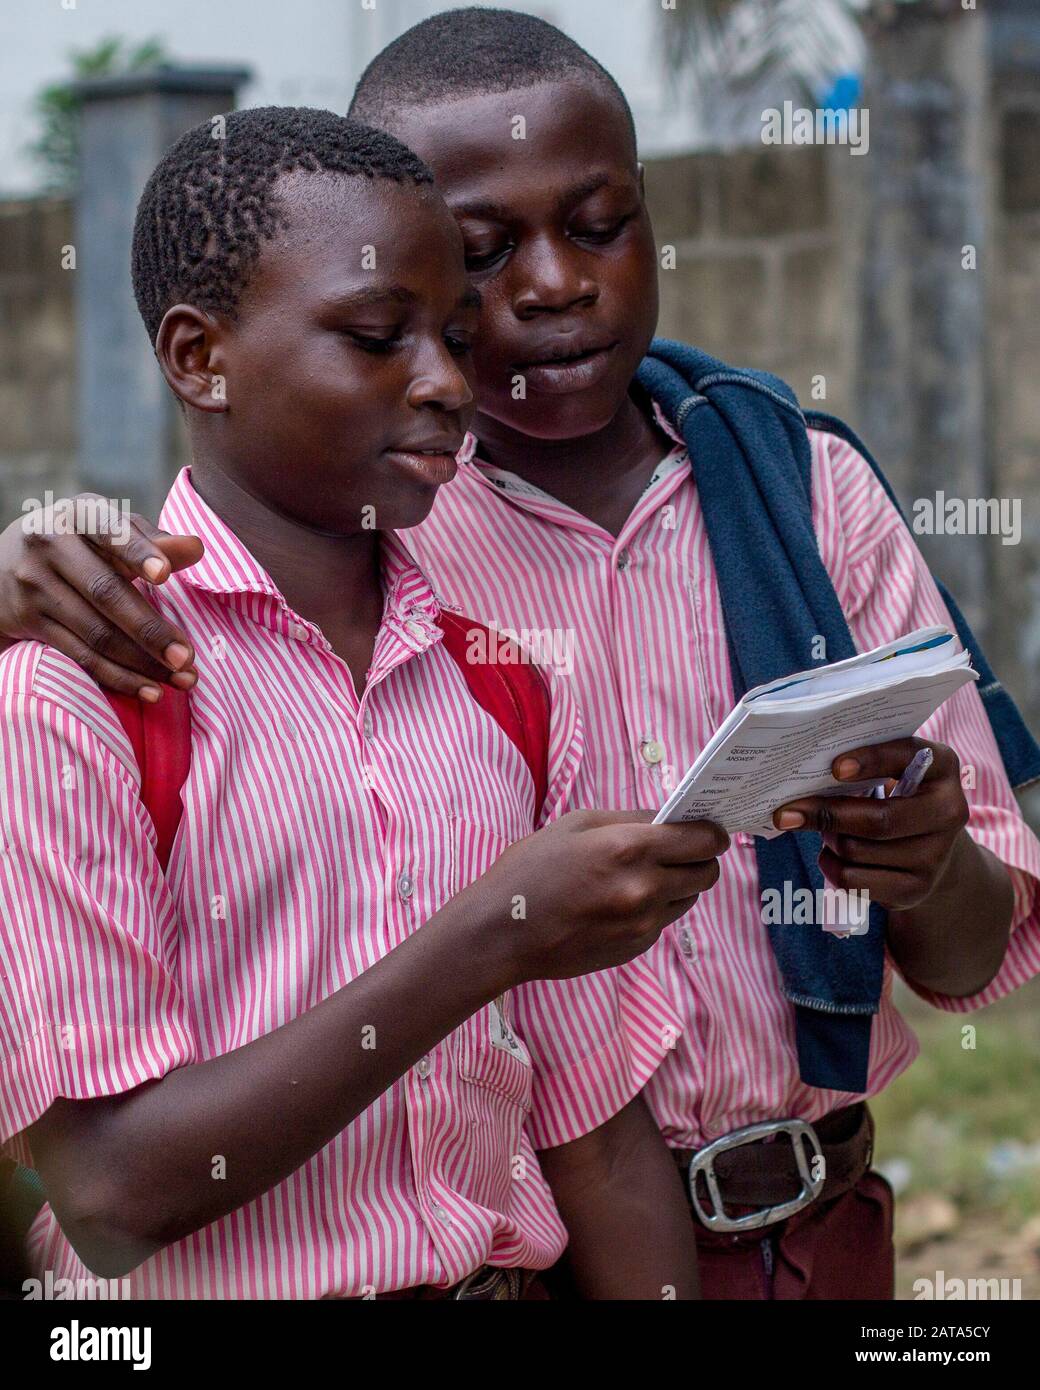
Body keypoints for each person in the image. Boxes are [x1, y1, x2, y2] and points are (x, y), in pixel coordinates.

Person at [3, 9, 1039, 1299]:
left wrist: (922, 850)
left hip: (807, 1221)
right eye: (483, 258)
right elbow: (106, 1185)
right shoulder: (374, 545)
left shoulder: (796, 496)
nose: (552, 284)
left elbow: (962, 955)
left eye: (600, 223)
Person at [0, 105, 730, 1300]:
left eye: (451, 333)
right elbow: (116, 1192)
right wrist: (490, 934)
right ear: (200, 358)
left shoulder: (503, 683)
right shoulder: (80, 696)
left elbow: (596, 1131)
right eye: (377, 335)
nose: (448, 383)